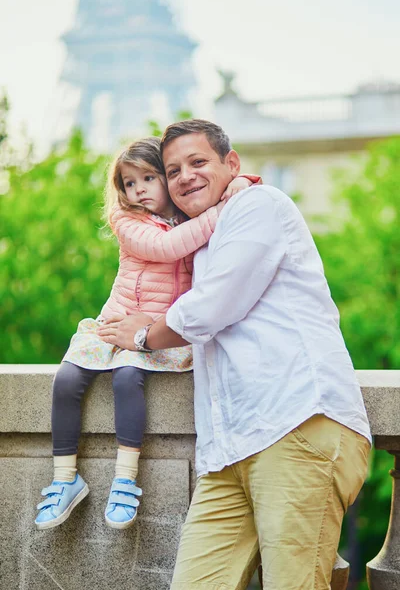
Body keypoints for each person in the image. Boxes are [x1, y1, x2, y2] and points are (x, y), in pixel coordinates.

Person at [98, 120, 372, 589]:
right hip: (228, 452)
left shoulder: (258, 204)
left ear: (232, 164)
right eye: (173, 170)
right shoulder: (202, 238)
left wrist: (144, 334)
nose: (185, 177)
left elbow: (210, 308)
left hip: (296, 425)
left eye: (198, 162)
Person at [34, 136, 258, 531]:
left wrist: (238, 186)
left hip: (157, 331)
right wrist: (226, 206)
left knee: (127, 378)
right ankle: (65, 477)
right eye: (128, 183)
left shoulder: (188, 217)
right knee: (67, 377)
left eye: (148, 178)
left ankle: (125, 478)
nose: (138, 190)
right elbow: (168, 247)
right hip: (117, 321)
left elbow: (221, 183)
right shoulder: (128, 222)